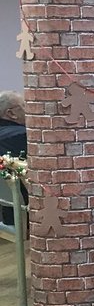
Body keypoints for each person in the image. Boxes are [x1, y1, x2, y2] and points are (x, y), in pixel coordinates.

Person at [0, 90, 27, 225]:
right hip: (31, 215)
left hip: (8, 213)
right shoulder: (23, 136)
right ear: (11, 114)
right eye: (24, 106)